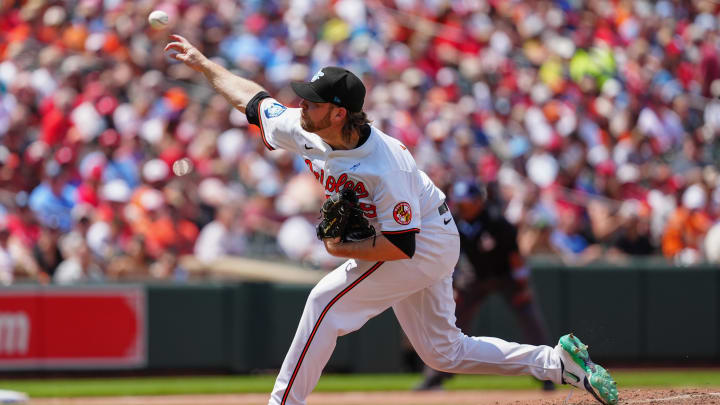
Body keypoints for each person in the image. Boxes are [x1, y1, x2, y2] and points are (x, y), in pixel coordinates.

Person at [164, 34, 618, 405]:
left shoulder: (386, 164)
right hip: (421, 237)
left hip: (422, 243)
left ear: (339, 112)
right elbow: (254, 101)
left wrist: (342, 249)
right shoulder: (308, 128)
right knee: (443, 352)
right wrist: (205, 64)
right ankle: (559, 363)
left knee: (324, 304)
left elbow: (403, 246)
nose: (302, 106)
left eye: (313, 102)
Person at [414, 179, 555, 391]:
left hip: (505, 276)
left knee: (529, 318)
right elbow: (451, 255)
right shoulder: (455, 220)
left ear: (479, 201)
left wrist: (523, 286)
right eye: (459, 202)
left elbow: (515, 257)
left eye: (467, 201)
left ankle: (548, 373)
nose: (462, 205)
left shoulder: (497, 220)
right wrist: (455, 286)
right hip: (476, 277)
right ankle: (436, 376)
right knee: (450, 319)